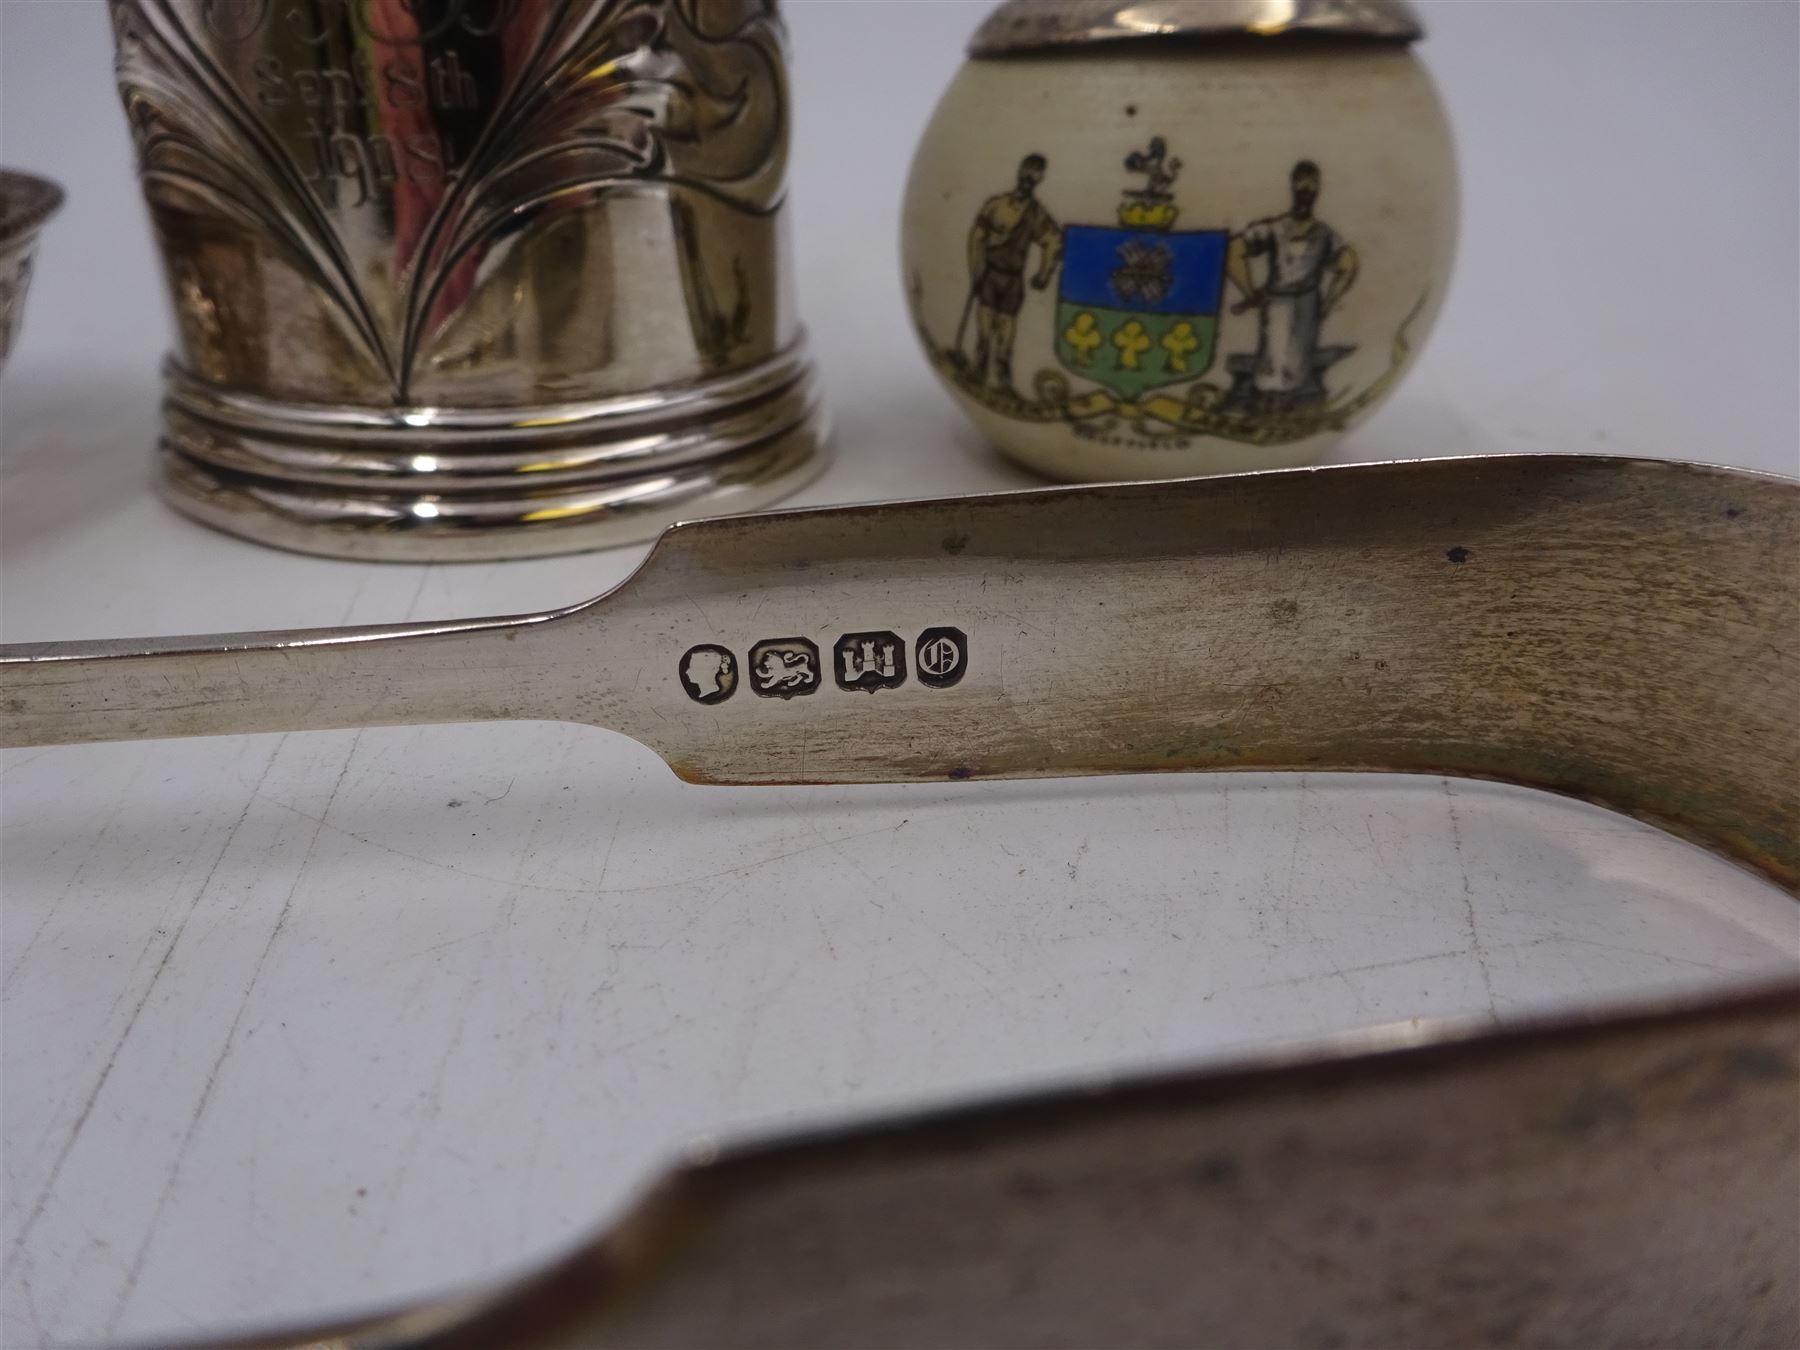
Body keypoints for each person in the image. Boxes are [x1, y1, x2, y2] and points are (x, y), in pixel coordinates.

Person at [1225, 161, 1360, 410]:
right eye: (1301, 186)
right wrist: (1250, 293)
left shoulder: (1324, 234)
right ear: (1292, 187)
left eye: (1311, 187)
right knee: (1272, 363)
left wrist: (1330, 300)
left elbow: (1348, 263)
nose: (1305, 192)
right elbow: (1235, 249)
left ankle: (1289, 405)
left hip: (1307, 304)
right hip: (1278, 304)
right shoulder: (1276, 228)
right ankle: (1266, 403)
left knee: (1296, 366)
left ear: (1318, 191)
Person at [963, 154, 1063, 391]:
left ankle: (1003, 367)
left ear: (1041, 178)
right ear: (1019, 170)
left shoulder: (1036, 214)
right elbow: (977, 237)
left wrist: (1044, 273)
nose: (1030, 176)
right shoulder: (996, 205)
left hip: (1013, 277)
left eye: (1036, 172)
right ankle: (981, 359)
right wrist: (975, 270)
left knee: (1007, 322)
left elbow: (1053, 240)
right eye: (1028, 170)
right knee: (986, 318)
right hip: (991, 272)